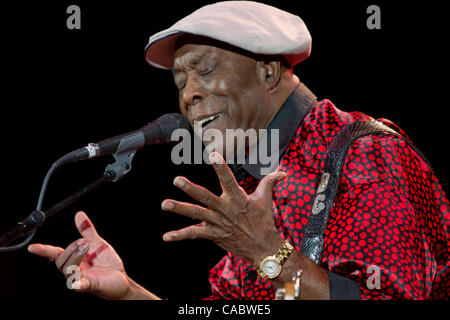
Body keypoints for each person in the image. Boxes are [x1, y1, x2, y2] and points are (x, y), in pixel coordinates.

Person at [28, 1, 449, 300]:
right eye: (180, 83)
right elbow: (288, 295)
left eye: (206, 71)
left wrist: (267, 253)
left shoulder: (366, 152)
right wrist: (128, 292)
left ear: (268, 71)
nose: (189, 95)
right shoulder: (253, 188)